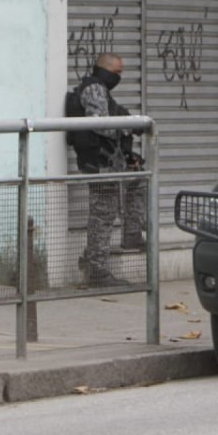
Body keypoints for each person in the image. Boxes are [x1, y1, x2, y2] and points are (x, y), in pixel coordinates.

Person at [70, 53, 145, 287]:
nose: (120, 77)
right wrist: (126, 128)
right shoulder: (94, 89)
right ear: (104, 70)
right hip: (99, 165)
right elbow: (100, 123)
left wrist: (128, 151)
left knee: (135, 184)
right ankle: (97, 271)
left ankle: (130, 236)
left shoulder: (101, 90)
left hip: (108, 162)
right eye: (117, 73)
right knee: (102, 217)